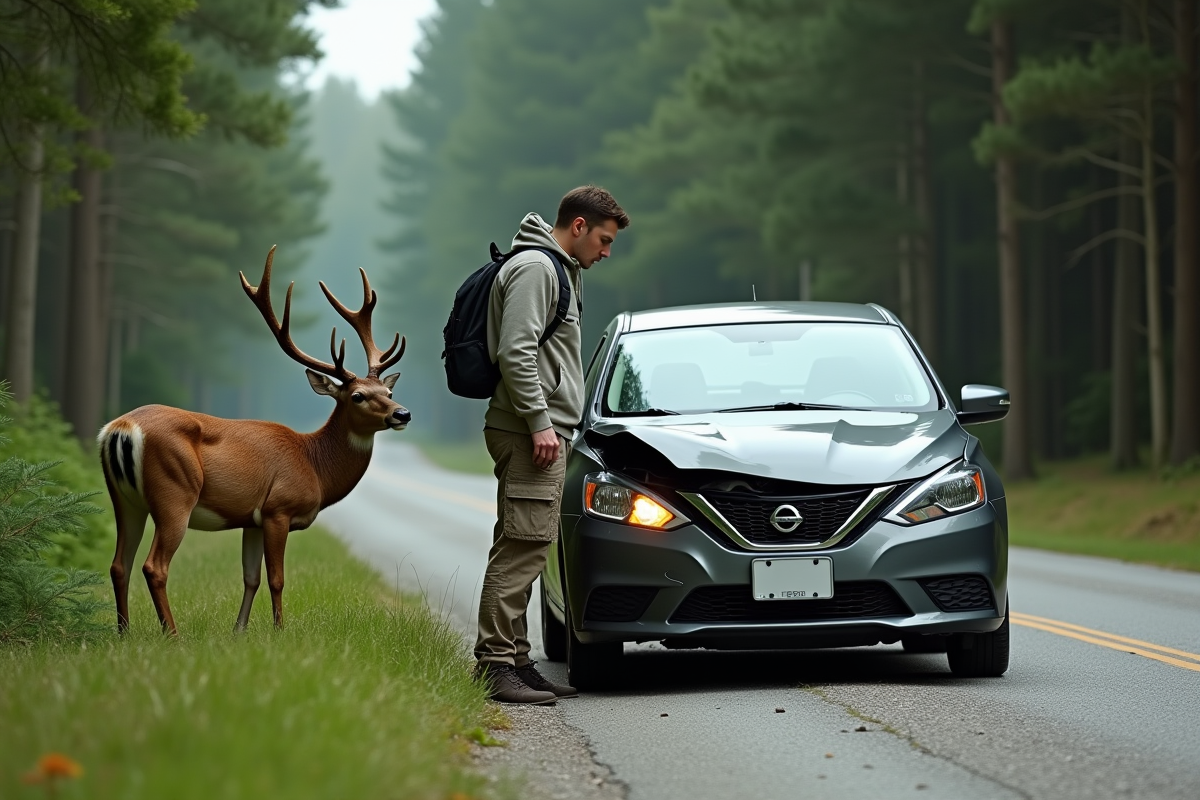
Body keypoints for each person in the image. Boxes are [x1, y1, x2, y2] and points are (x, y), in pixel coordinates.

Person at [474, 185, 630, 704]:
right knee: (523, 546)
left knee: (526, 541)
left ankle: (518, 661)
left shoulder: (557, 268)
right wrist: (541, 422)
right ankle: (495, 666)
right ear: (579, 226)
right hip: (528, 431)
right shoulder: (538, 269)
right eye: (604, 240)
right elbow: (515, 350)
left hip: (533, 429)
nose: (606, 252)